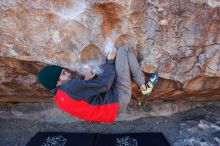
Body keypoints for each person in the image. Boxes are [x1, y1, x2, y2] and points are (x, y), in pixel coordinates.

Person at [37, 45, 158, 123]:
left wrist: (86, 79)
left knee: (102, 69)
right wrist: (110, 61)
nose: (68, 74)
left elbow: (82, 98)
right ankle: (145, 86)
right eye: (63, 73)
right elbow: (105, 84)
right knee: (123, 49)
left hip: (111, 110)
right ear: (57, 83)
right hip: (118, 98)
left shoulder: (59, 99)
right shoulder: (70, 86)